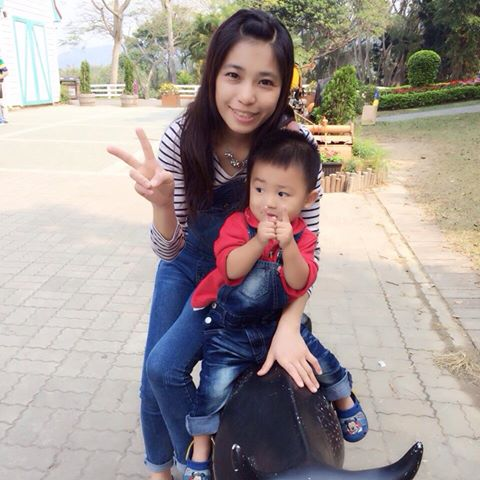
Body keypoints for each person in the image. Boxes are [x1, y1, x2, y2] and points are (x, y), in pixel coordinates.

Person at [108, 9, 328, 480]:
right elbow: (169, 251)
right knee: (157, 372)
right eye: (233, 75)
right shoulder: (183, 136)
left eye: (265, 82)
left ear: (281, 88)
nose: (246, 96)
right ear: (213, 74)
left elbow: (310, 248)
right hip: (188, 262)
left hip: (250, 276)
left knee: (229, 373)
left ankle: (212, 462)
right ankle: (163, 468)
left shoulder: (294, 146)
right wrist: (162, 205)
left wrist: (290, 324)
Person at [183, 130, 368, 480]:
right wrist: (257, 243)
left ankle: (344, 398)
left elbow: (300, 281)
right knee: (212, 388)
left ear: (309, 198)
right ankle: (202, 446)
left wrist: (289, 248)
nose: (268, 202)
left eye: (282, 193)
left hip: (275, 327)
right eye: (259, 189)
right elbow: (230, 269)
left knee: (321, 360)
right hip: (231, 333)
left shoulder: (303, 237)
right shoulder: (237, 225)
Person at [0, 57, 8, 124]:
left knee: (2, 102)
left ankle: (3, 118)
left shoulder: (0, 61)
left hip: (0, 83)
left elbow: (6, 72)